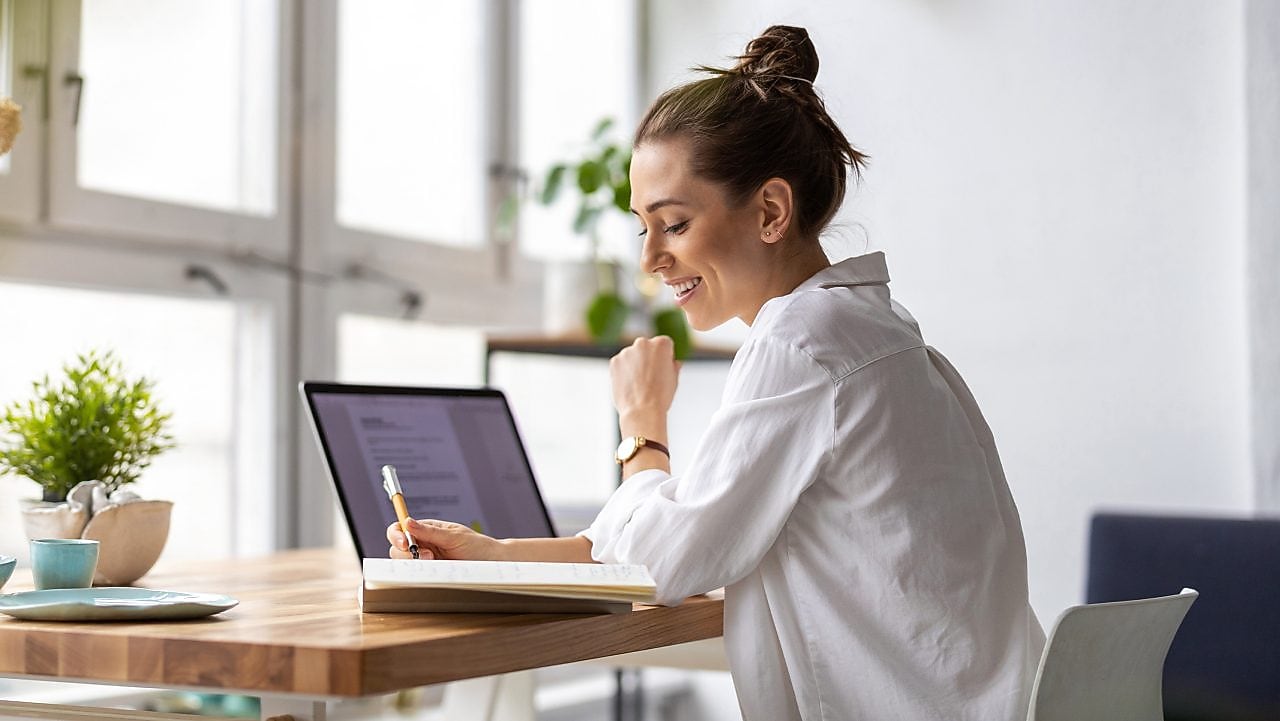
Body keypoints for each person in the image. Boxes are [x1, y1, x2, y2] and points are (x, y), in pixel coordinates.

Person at [389, 25, 1045, 721]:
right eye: (643, 226)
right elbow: (688, 528)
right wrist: (493, 555)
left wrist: (641, 427)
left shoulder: (801, 345)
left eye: (672, 224)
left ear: (769, 211)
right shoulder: (875, 331)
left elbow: (663, 563)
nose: (650, 258)